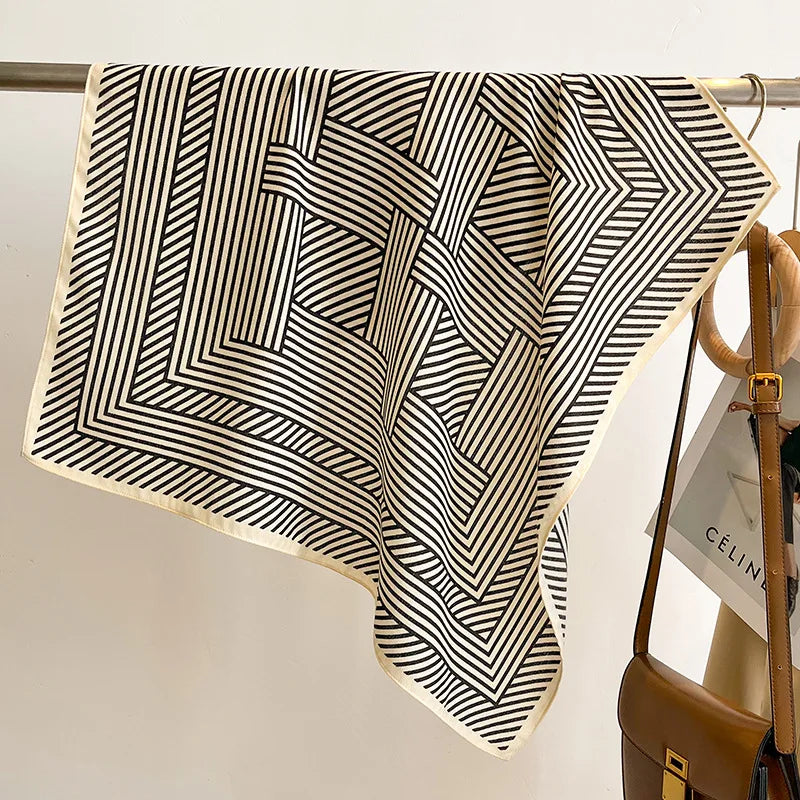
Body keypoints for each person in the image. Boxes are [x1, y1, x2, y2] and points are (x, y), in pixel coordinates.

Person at [728, 400, 800, 614]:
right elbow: (774, 418)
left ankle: (791, 573)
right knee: (779, 485)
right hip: (777, 471)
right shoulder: (797, 426)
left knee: (785, 477)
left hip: (792, 475)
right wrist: (745, 407)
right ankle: (792, 573)